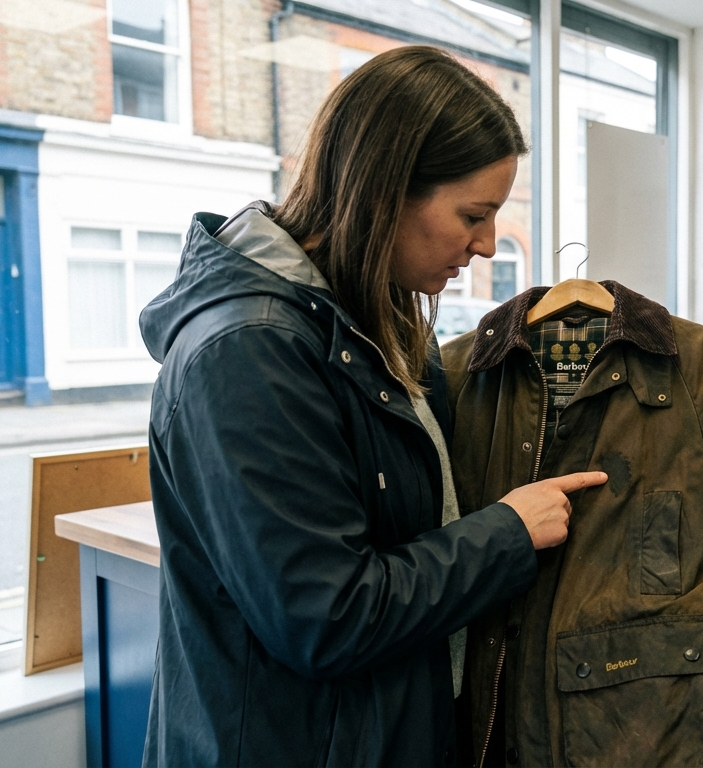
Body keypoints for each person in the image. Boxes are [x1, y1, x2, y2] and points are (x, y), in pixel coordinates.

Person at [138, 46, 605, 766]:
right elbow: (326, 617)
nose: (485, 245)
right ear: (385, 189)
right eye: (473, 215)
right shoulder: (247, 352)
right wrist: (507, 533)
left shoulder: (380, 323)